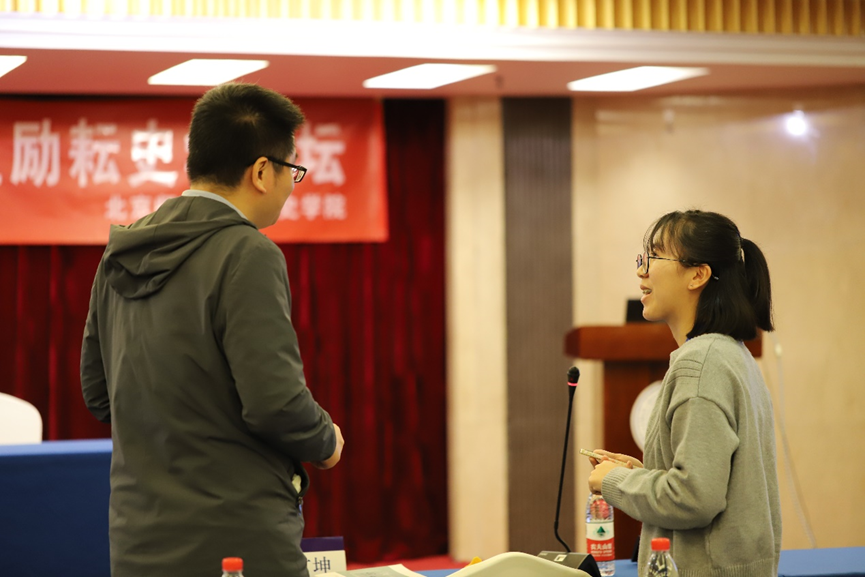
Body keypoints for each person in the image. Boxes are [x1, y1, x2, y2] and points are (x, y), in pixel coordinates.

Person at [80, 82, 345, 577]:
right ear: (262, 172)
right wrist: (325, 439)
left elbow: (99, 395)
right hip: (236, 540)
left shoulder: (123, 250)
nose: (292, 185)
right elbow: (275, 403)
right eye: (292, 170)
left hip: (138, 540)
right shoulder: (248, 252)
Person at [586, 210, 781, 577]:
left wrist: (614, 480)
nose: (641, 271)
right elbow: (715, 484)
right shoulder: (731, 354)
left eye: (654, 256)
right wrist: (641, 473)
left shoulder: (702, 363)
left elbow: (693, 499)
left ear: (697, 275)